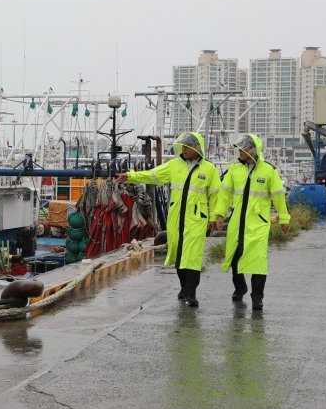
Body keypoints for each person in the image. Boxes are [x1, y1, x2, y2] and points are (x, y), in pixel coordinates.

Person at [117, 132, 219, 306]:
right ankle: (183, 288)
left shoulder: (209, 170)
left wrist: (216, 216)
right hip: (176, 218)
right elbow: (153, 175)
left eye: (187, 147)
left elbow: (216, 194)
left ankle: (191, 293)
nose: (184, 149)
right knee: (180, 256)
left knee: (192, 257)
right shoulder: (174, 165)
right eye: (183, 147)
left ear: (196, 148)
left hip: (196, 219)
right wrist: (131, 176)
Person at [213, 133, 290, 312]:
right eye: (239, 149)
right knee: (234, 256)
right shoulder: (234, 170)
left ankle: (257, 297)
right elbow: (224, 195)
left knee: (258, 261)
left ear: (253, 151)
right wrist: (219, 215)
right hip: (237, 223)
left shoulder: (268, 171)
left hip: (258, 224)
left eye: (243, 149)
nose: (239, 152)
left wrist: (284, 218)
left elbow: (278, 197)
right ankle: (240, 288)